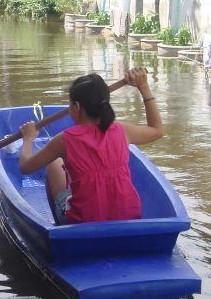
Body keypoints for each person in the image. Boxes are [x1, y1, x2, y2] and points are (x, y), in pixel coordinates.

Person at [19, 67, 163, 224]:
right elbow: (157, 130)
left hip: (81, 222)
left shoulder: (64, 140)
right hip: (128, 217)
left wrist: (28, 138)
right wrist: (144, 87)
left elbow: (26, 167)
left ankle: (60, 229)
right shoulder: (122, 130)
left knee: (54, 164)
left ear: (78, 107)